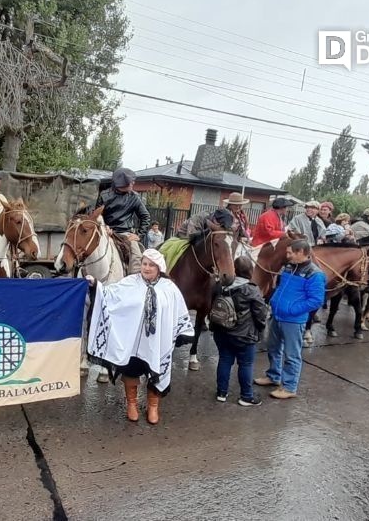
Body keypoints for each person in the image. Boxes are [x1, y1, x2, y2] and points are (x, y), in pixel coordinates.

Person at [86, 249, 193, 424]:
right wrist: (95, 285)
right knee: (131, 370)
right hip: (133, 341)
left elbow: (178, 312)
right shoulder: (130, 282)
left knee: (156, 371)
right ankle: (132, 404)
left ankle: (153, 407)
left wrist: (179, 333)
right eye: (144, 264)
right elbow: (109, 294)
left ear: (159, 268)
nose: (147, 268)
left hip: (158, 341)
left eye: (151, 265)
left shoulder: (170, 288)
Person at [254, 239, 326, 399]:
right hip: (278, 315)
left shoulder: (314, 274)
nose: (287, 256)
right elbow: (281, 287)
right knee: (273, 348)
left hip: (293, 320)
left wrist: (293, 310)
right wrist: (274, 301)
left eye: (289, 253)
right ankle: (273, 376)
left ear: (300, 252)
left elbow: (316, 300)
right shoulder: (289, 267)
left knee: (291, 354)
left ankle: (289, 387)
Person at [211, 257, 268, 406]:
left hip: (221, 332)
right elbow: (261, 313)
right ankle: (246, 396)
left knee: (224, 360)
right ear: (251, 271)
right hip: (244, 335)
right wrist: (260, 329)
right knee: (246, 364)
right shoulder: (251, 289)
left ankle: (221, 392)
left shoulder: (220, 286)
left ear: (234, 270)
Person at [96, 168, 151, 274]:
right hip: (106, 232)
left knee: (136, 253)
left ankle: (137, 278)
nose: (133, 183)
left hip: (126, 234)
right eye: (130, 182)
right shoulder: (104, 196)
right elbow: (97, 216)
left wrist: (139, 235)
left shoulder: (134, 197)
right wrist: (104, 227)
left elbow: (145, 217)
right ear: (121, 184)